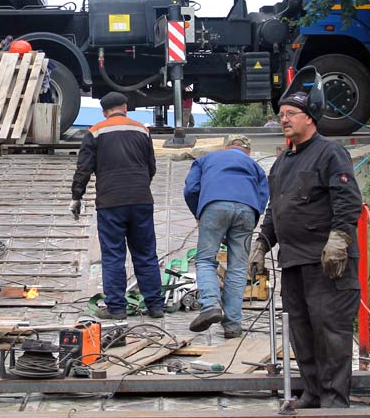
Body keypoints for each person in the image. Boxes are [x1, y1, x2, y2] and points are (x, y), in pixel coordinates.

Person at [249, 68, 363, 408]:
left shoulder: (330, 153)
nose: (283, 120)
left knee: (330, 331)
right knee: (302, 330)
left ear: (310, 118)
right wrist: (262, 243)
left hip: (327, 262)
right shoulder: (283, 161)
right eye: (281, 115)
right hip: (295, 261)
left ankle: (334, 399)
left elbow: (348, 200)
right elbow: (276, 208)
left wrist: (339, 240)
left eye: (290, 114)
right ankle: (313, 392)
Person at [70, 91, 164, 320]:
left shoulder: (95, 131)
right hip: (141, 200)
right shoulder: (142, 130)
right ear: (125, 107)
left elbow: (84, 168)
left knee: (113, 255)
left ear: (104, 111)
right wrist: (140, 187)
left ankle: (117, 308)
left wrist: (77, 196)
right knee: (146, 253)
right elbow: (151, 166)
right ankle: (155, 306)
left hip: (110, 202)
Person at [183, 134, 269, 339]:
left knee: (205, 260)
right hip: (248, 210)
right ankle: (232, 325)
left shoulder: (206, 159)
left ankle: (211, 305)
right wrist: (250, 220)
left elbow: (191, 189)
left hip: (214, 206)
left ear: (227, 147)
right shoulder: (254, 166)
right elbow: (263, 196)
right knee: (238, 267)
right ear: (247, 151)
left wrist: (199, 213)